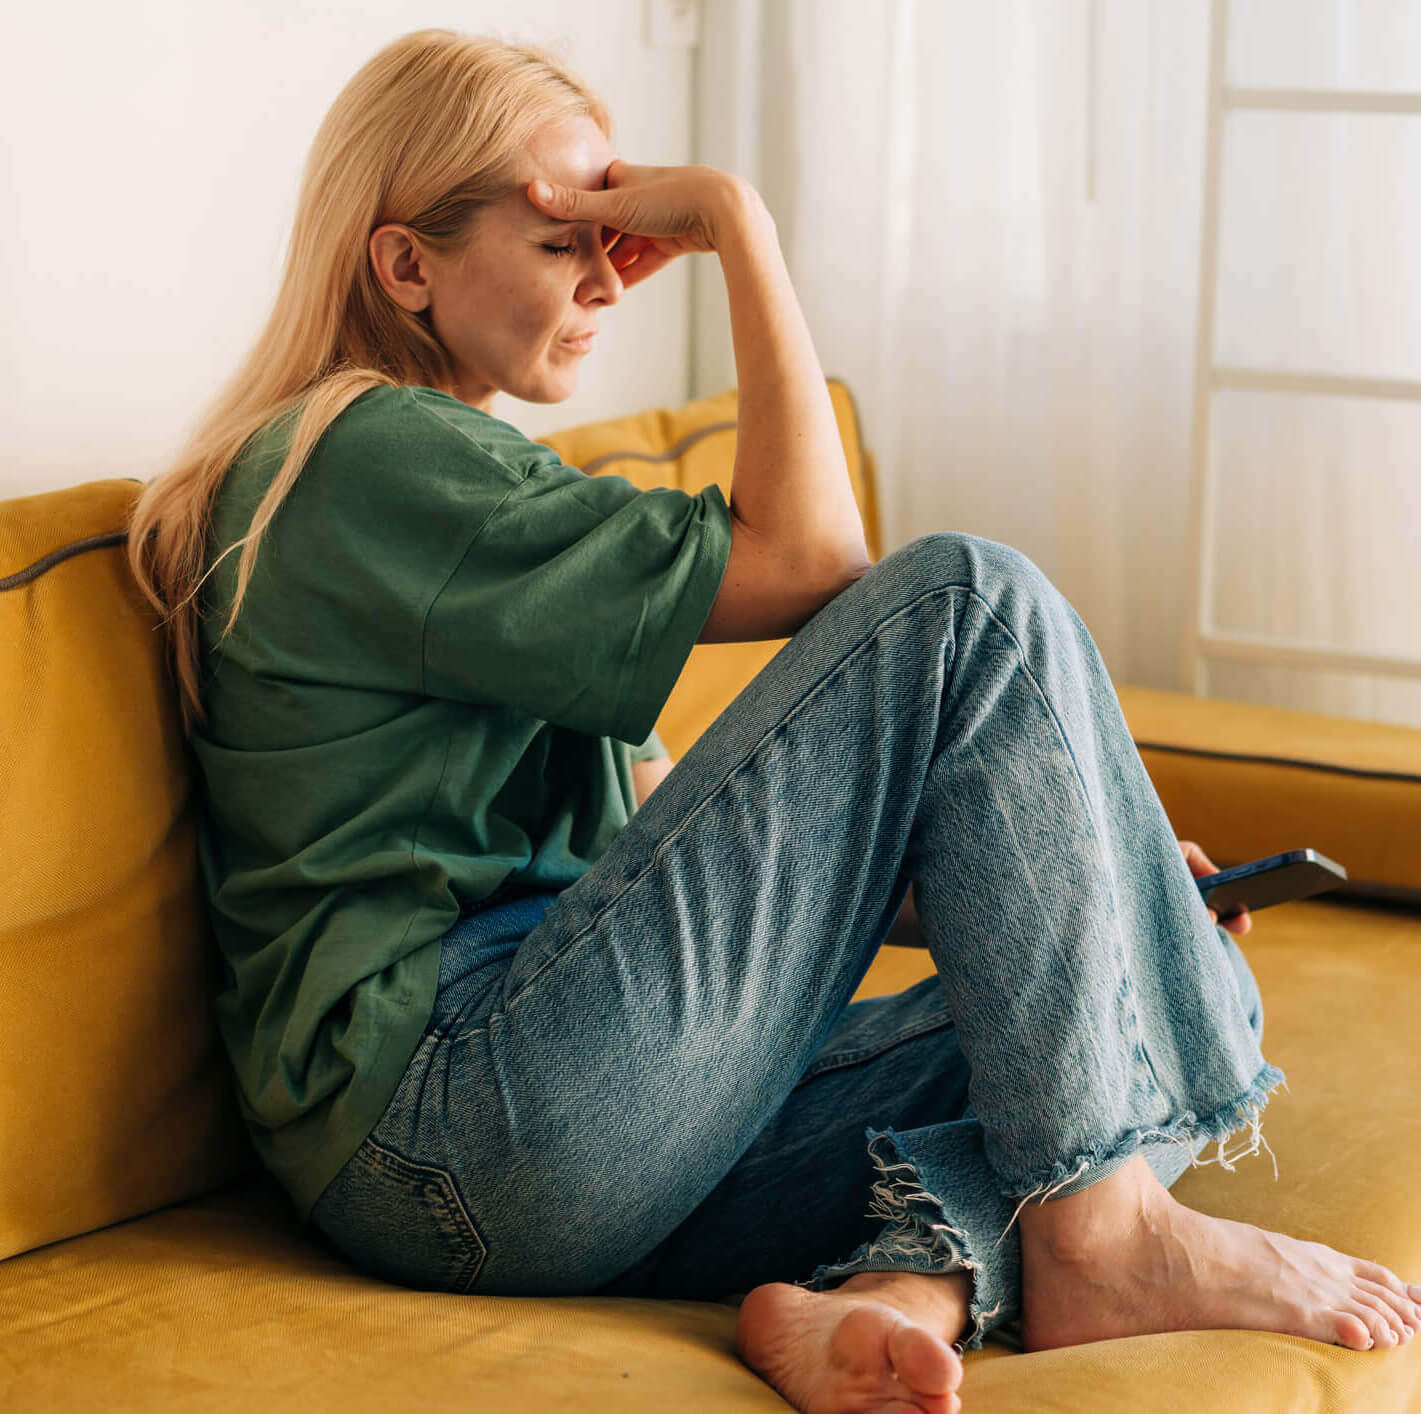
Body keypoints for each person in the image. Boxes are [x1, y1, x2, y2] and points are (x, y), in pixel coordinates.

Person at [126, 29, 1420, 1414]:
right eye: (575, 236)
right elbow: (820, 559)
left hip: (564, 1123)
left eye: (623, 238)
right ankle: (1098, 1238)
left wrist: (1076, 879)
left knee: (1174, 988)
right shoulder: (367, 460)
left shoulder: (464, 494)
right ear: (405, 263)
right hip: (454, 1112)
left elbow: (738, 866)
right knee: (968, 598)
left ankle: (896, 1291)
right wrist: (736, 224)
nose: (609, 281)